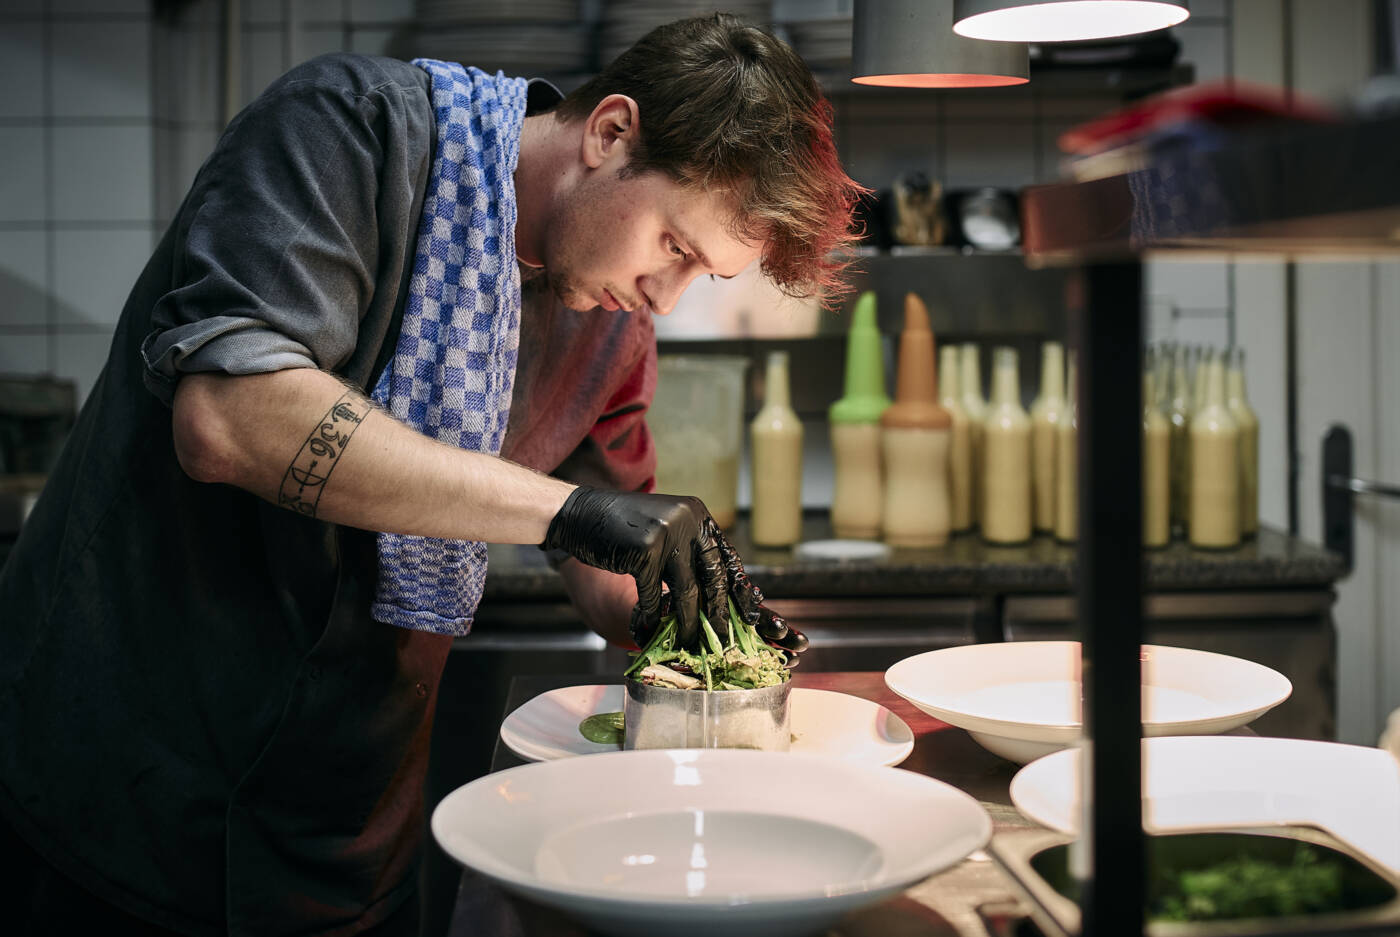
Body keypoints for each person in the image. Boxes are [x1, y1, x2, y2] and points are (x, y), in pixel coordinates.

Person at [0, 13, 861, 936]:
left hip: (348, 822)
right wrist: (572, 513)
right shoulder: (348, 131)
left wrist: (689, 621)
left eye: (702, 277)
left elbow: (600, 541)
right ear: (611, 134)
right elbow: (227, 415)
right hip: (122, 786)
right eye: (675, 249)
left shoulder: (609, 315)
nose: (664, 296)